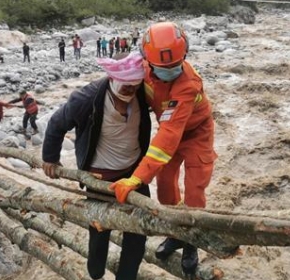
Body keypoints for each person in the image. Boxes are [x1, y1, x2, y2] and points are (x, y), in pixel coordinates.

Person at [110, 22, 218, 276]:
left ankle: (192, 240)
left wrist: (137, 177)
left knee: (194, 190)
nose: (170, 71)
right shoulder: (144, 68)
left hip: (196, 135)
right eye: (163, 67)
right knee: (166, 183)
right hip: (171, 129)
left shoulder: (188, 85)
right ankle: (175, 231)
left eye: (174, 66)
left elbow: (168, 135)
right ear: (148, 60)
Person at [42, 52, 151, 280]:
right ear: (112, 79)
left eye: (135, 86)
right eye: (126, 87)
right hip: (100, 178)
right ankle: (96, 273)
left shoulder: (142, 93)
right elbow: (56, 123)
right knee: (99, 229)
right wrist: (50, 158)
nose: (131, 91)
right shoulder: (87, 98)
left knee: (138, 233)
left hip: (134, 175)